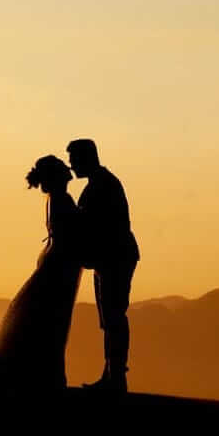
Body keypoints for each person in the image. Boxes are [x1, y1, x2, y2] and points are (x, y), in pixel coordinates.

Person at [0, 156, 82, 389]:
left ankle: (38, 371)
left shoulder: (55, 199)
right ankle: (44, 373)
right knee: (50, 319)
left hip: (57, 261)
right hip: (60, 264)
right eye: (63, 170)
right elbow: (69, 234)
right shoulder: (61, 198)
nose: (68, 172)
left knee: (42, 317)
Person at [68, 139, 140, 393]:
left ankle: (116, 377)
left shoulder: (104, 185)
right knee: (109, 318)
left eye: (74, 159)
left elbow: (103, 226)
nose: (71, 165)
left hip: (115, 258)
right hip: (107, 259)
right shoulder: (99, 184)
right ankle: (112, 375)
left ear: (86, 158)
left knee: (114, 316)